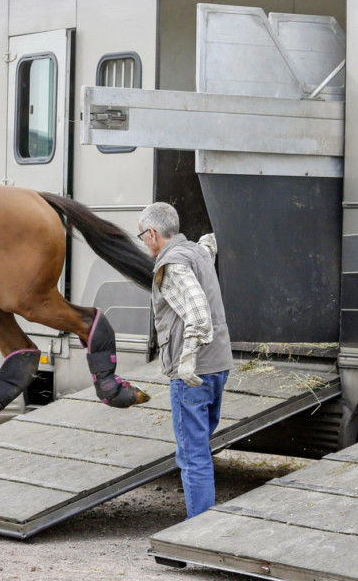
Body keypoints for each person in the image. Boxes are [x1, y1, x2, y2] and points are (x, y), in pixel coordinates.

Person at [137, 203, 233, 518]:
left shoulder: (171, 266)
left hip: (193, 374)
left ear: (152, 233)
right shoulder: (197, 253)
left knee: (193, 456)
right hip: (219, 365)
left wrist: (188, 358)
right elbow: (209, 245)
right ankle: (204, 523)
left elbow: (198, 313)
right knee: (201, 449)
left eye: (142, 236)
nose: (143, 243)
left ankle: (198, 532)